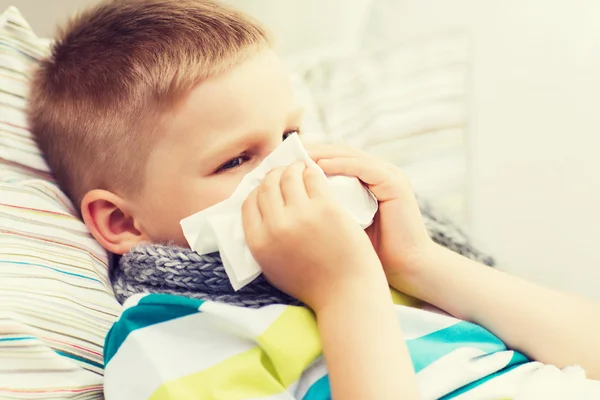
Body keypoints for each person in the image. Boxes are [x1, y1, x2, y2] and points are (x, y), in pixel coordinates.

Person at [27, 0, 599, 398]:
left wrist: (418, 263)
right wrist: (345, 292)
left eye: (292, 136)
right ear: (122, 220)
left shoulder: (385, 263)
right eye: (236, 160)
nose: (292, 167)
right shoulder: (167, 338)